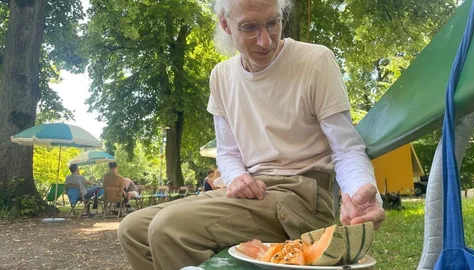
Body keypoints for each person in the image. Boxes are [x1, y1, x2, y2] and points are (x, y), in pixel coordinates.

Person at [117, 1, 385, 269]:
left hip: (302, 196)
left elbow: (347, 148)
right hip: (253, 194)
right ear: (225, 24)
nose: (265, 40)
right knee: (133, 229)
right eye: (249, 27)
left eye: (273, 22)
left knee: (169, 228)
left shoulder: (315, 61)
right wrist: (236, 178)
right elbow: (228, 152)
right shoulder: (221, 76)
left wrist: (361, 193)